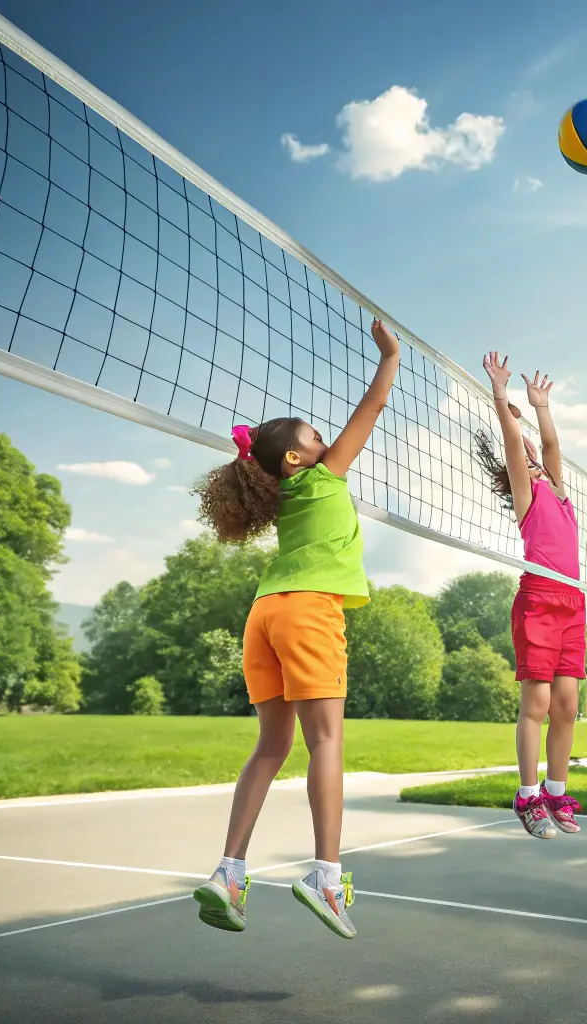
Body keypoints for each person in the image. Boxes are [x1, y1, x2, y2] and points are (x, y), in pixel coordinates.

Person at [187, 317, 400, 940]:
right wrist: (389, 357)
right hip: (308, 611)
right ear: (295, 458)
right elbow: (374, 405)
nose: (326, 440)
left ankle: (228, 873)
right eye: (315, 437)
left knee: (271, 746)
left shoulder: (282, 493)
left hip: (265, 612)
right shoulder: (323, 476)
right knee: (325, 741)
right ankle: (327, 877)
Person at [473, 352, 586, 840]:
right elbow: (513, 444)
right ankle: (527, 795)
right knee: (537, 704)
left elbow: (552, 443)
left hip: (574, 604)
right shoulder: (527, 494)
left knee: (567, 706)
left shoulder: (559, 490)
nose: (533, 452)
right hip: (538, 601)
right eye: (527, 452)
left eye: (533, 448)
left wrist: (540, 407)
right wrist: (502, 397)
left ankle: (556, 791)